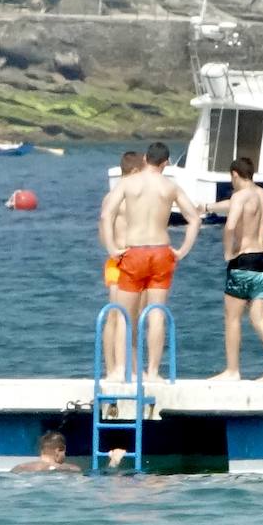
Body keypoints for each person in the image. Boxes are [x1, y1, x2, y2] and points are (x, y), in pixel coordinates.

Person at [100, 142, 201, 382]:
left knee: (125, 314)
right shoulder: (170, 187)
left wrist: (112, 248)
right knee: (156, 313)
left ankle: (122, 371)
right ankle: (153, 372)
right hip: (161, 250)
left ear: (145, 158)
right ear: (165, 163)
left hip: (134, 250)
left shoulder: (127, 183)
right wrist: (183, 250)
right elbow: (194, 219)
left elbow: (106, 214)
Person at [208, 158, 263, 382]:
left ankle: (232, 370)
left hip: (243, 260)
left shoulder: (239, 196)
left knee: (232, 317)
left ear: (234, 174)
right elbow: (236, 205)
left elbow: (230, 225)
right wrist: (208, 207)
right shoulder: (262, 194)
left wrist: (227, 252)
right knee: (258, 317)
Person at [99, 151, 143, 379]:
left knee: (134, 317)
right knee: (116, 315)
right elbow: (103, 230)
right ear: (134, 171)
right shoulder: (114, 197)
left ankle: (134, 367)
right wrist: (114, 250)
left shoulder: (136, 196)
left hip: (136, 260)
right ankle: (111, 368)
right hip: (118, 261)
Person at [11, 431, 127, 473]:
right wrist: (113, 464)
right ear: (58, 451)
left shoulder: (19, 468)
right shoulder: (69, 469)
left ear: (42, 450)